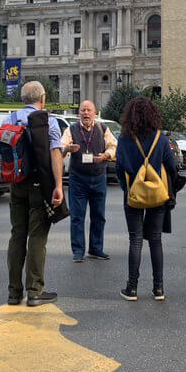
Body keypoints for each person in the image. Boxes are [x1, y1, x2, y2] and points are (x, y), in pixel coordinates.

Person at [6, 81, 64, 307]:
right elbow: (55, 154)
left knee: (17, 235)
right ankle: (35, 291)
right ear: (43, 98)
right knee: (37, 237)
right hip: (40, 185)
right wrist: (58, 185)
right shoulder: (49, 121)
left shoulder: (9, 119)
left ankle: (13, 292)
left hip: (16, 184)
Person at [115, 97, 178, 302]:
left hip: (133, 194)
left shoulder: (125, 138)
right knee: (156, 239)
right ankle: (158, 288)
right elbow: (171, 165)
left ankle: (132, 288)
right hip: (157, 194)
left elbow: (119, 167)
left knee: (136, 240)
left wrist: (128, 188)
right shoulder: (160, 137)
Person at [61, 100, 117, 262]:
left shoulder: (102, 128)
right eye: (83, 110)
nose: (86, 113)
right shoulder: (71, 129)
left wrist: (106, 155)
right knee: (77, 217)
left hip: (99, 177)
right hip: (78, 179)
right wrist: (67, 149)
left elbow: (114, 146)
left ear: (95, 112)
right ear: (79, 112)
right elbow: (61, 147)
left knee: (99, 215)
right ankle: (78, 251)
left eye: (89, 110)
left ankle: (96, 248)